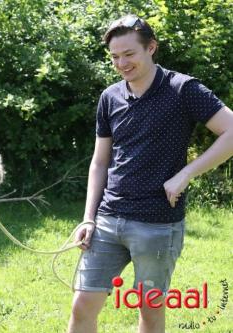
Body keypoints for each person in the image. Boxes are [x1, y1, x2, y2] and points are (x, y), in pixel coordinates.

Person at [67, 15, 233, 333]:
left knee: (150, 310)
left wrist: (186, 173)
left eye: (129, 54)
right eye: (115, 57)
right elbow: (99, 163)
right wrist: (88, 217)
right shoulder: (110, 97)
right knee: (82, 305)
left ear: (151, 48)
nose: (121, 63)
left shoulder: (183, 89)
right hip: (107, 219)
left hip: (158, 224)